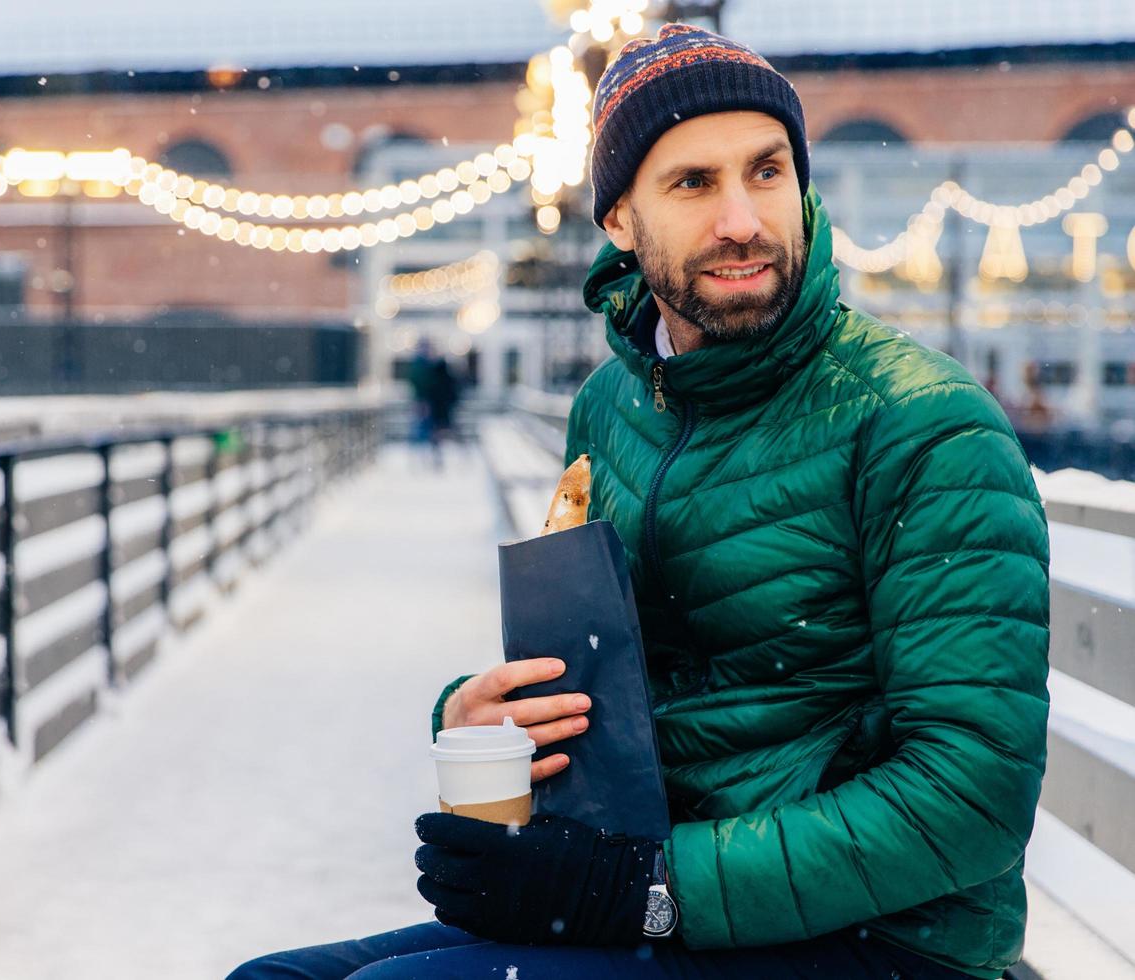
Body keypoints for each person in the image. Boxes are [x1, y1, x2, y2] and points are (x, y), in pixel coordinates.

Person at [231, 23, 1049, 980]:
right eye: (693, 183)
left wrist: (647, 889)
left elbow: (973, 794)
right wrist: (480, 716)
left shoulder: (924, 424)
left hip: (888, 941)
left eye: (767, 171)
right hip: (673, 895)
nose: (743, 218)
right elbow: (599, 676)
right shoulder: (611, 408)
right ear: (618, 220)